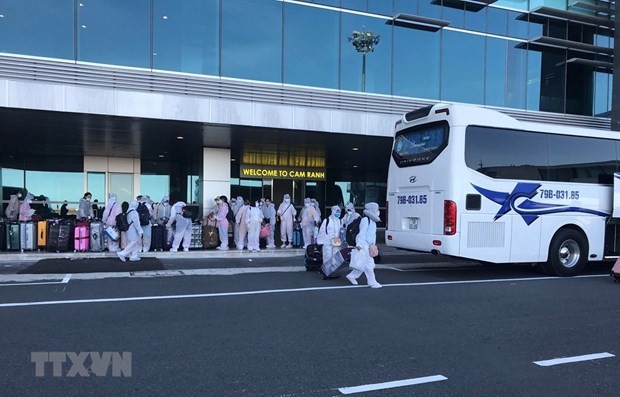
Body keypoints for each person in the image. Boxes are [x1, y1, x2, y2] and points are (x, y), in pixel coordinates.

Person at [345, 202, 382, 288]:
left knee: (362, 264)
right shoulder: (366, 220)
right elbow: (361, 234)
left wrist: (373, 245)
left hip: (369, 246)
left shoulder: (373, 221)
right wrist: (359, 245)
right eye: (377, 210)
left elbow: (372, 235)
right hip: (364, 245)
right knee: (369, 265)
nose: (378, 211)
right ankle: (372, 282)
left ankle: (352, 276)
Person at [317, 205, 342, 271]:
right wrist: (320, 242)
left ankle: (334, 271)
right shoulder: (327, 220)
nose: (338, 213)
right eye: (337, 211)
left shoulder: (339, 221)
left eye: (339, 212)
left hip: (336, 241)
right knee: (327, 256)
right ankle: (326, 271)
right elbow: (322, 231)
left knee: (336, 256)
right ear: (333, 211)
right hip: (328, 241)